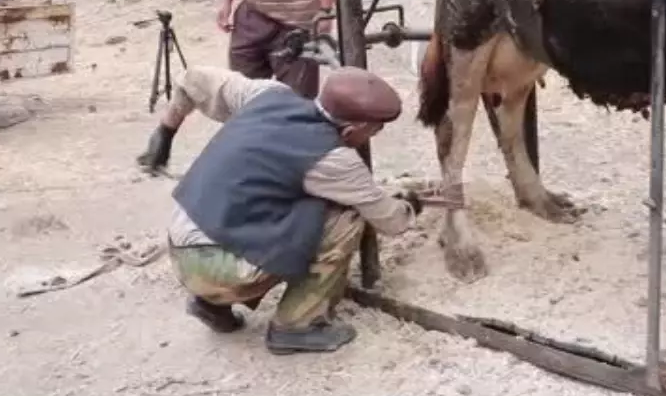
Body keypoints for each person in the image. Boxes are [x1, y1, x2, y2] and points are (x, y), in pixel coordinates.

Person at [136, 64, 447, 355]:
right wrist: (411, 203)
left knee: (275, 198)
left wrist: (166, 131)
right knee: (347, 216)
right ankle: (297, 325)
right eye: (375, 131)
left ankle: (211, 304)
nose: (374, 137)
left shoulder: (267, 94)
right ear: (353, 131)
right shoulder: (335, 160)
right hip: (216, 270)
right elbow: (390, 221)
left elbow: (193, 79)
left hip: (179, 245)